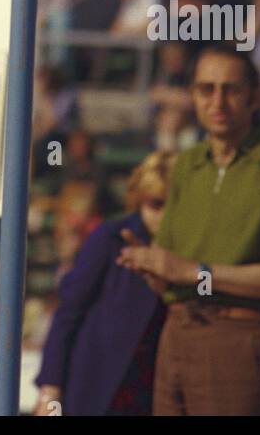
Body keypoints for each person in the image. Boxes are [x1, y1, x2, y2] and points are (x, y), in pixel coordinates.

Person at [117, 45, 260, 417]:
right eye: (205, 89)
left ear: (255, 97)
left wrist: (197, 273)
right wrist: (151, 266)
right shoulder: (187, 164)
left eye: (231, 89)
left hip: (240, 340)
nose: (218, 101)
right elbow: (173, 276)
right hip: (176, 334)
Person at [34, 152, 173, 416]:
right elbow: (69, 312)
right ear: (140, 200)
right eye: (156, 204)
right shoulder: (110, 239)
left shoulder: (186, 250)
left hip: (152, 390)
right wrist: (50, 389)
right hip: (98, 387)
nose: (164, 215)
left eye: (172, 204)